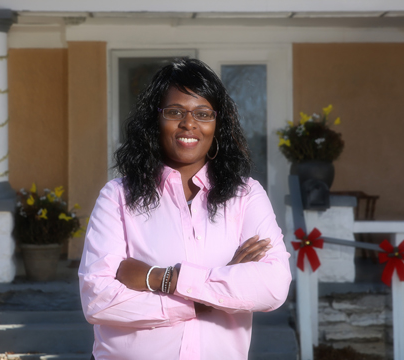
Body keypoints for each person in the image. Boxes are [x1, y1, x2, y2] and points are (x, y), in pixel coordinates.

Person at [78, 58, 291, 360]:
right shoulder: (117, 196)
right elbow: (98, 301)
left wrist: (162, 278)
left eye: (203, 113)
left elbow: (272, 286)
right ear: (155, 120)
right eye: (175, 111)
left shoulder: (246, 196)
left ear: (218, 125)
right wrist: (213, 291)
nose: (189, 123)